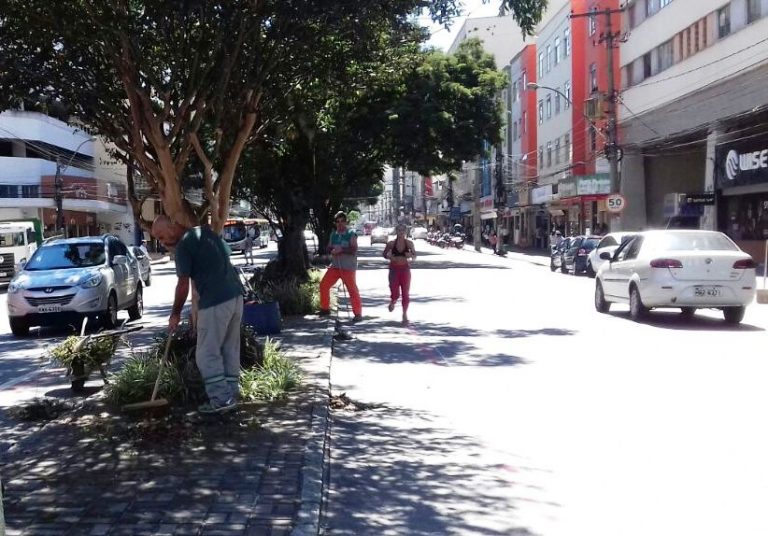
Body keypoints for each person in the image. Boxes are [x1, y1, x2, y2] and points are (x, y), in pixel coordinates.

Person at [151, 215, 244, 414]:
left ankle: (221, 400)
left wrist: (175, 314)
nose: (162, 243)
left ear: (172, 226)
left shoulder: (183, 247)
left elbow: (182, 285)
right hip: (236, 296)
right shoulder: (207, 233)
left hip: (215, 301)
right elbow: (225, 257)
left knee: (206, 354)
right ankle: (231, 395)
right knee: (229, 348)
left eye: (161, 236)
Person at [318, 211, 363, 322]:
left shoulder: (351, 233)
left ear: (346, 222)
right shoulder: (333, 234)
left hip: (348, 267)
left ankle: (358, 314)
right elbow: (328, 247)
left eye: (342, 221)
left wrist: (342, 250)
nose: (340, 223)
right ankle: (325, 309)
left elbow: (354, 249)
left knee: (352, 290)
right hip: (335, 266)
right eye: (338, 221)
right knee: (324, 285)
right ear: (335, 223)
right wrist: (332, 250)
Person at [383, 223, 416, 326]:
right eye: (399, 230)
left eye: (403, 230)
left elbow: (415, 256)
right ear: (396, 231)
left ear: (405, 232)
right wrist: (389, 257)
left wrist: (410, 255)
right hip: (394, 270)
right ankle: (393, 300)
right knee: (395, 292)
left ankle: (404, 314)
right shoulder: (391, 244)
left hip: (405, 270)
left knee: (405, 293)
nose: (401, 232)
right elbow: (384, 254)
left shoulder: (409, 243)